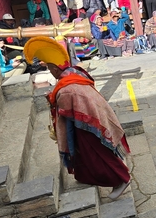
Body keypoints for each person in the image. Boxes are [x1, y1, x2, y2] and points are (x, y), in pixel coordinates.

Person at [23, 37, 131, 198]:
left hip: (88, 124)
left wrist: (52, 99)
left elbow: (63, 109)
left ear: (54, 68)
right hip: (93, 117)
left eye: (51, 69)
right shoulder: (75, 73)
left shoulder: (66, 88)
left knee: (99, 154)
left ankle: (121, 179)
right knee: (85, 155)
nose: (51, 72)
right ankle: (85, 176)